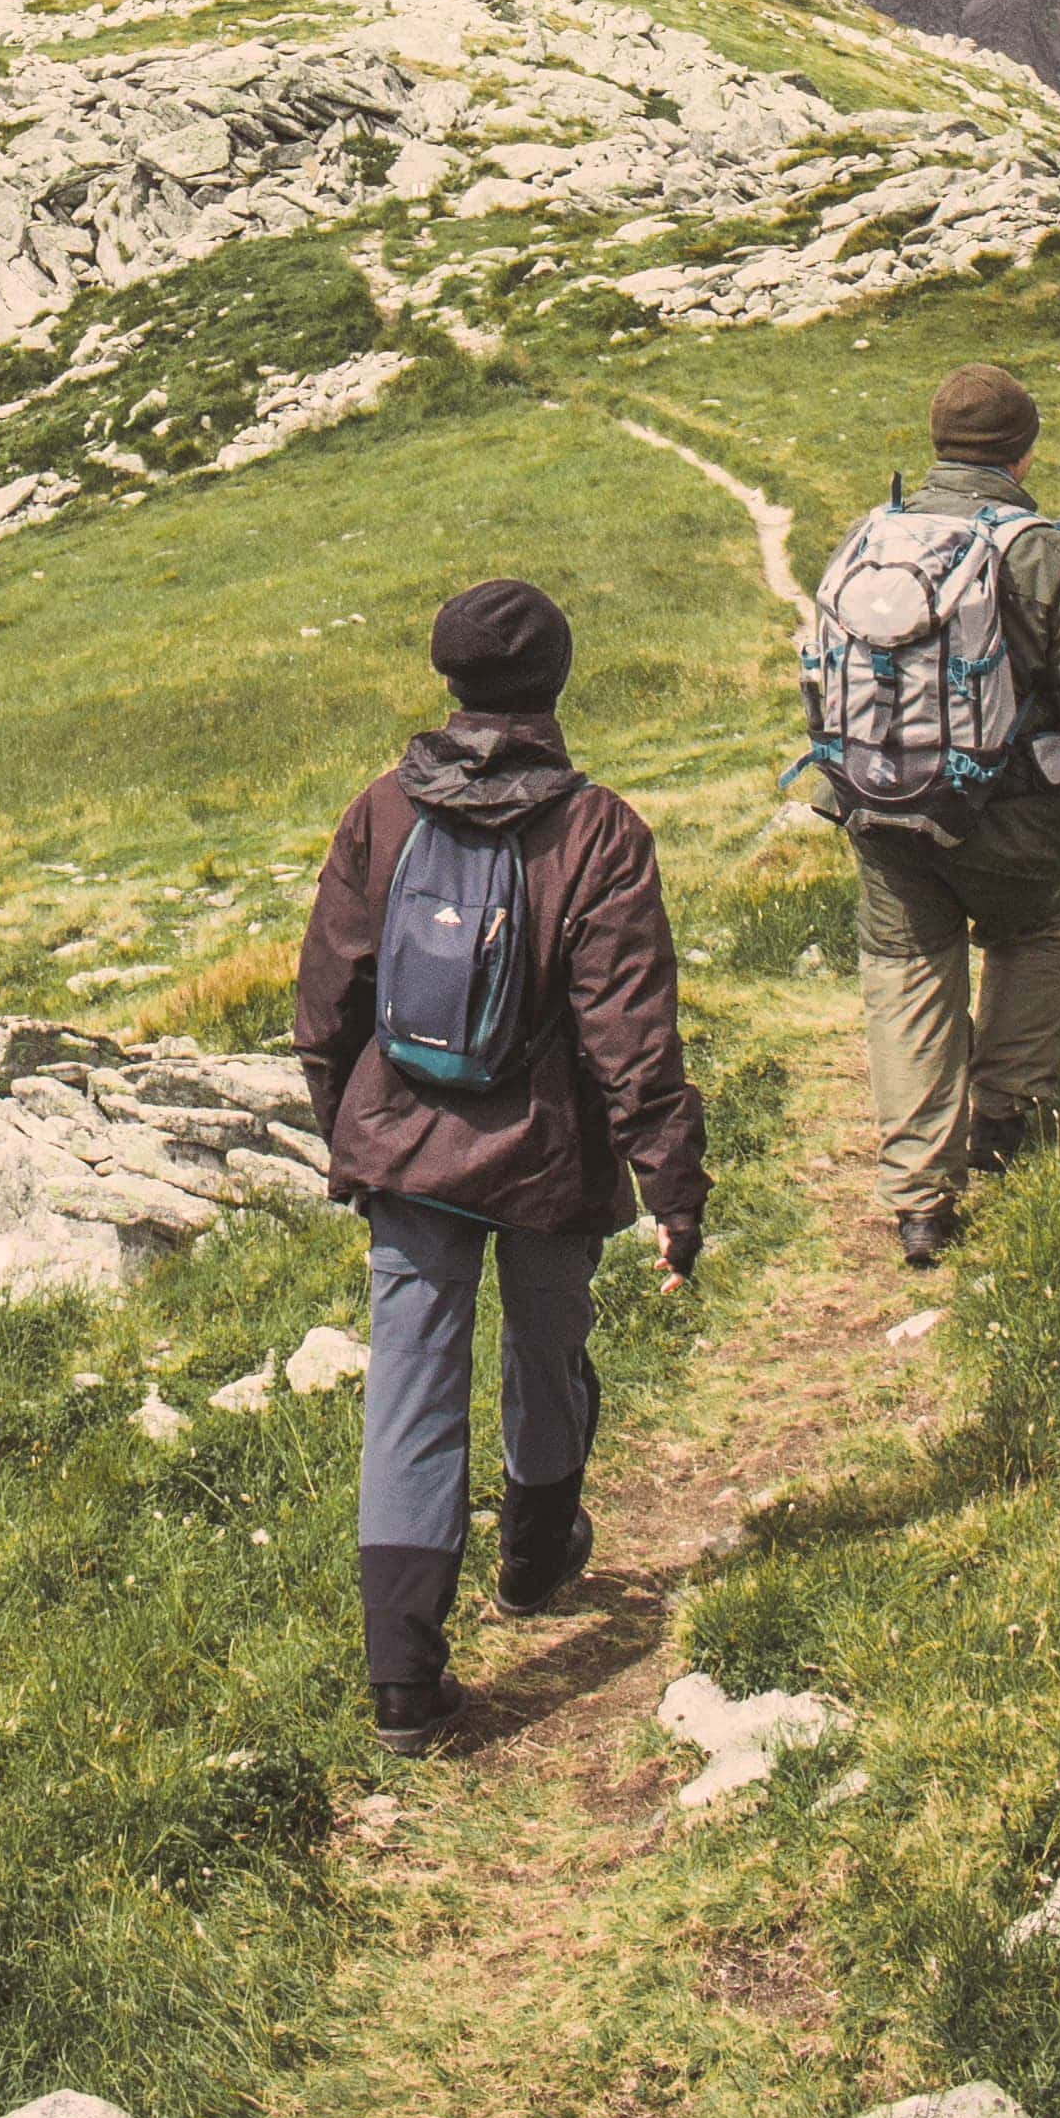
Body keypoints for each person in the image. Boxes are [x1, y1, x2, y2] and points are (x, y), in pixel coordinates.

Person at [295, 578, 711, 1757]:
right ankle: (534, 1559)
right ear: (556, 684)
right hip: (547, 1160)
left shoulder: (384, 809)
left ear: (450, 678)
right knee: (547, 1348)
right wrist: (672, 1190)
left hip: (408, 1150)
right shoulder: (599, 831)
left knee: (411, 1394)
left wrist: (353, 1130)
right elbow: (632, 1035)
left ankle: (403, 1686)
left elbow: (329, 997)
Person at [842, 362, 1060, 1268]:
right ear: (1024, 452)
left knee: (905, 971)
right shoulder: (1045, 552)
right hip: (1014, 821)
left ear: (938, 444)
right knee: (1034, 934)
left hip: (887, 810)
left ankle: (919, 1202)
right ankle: (1004, 1117)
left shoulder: (873, 539)